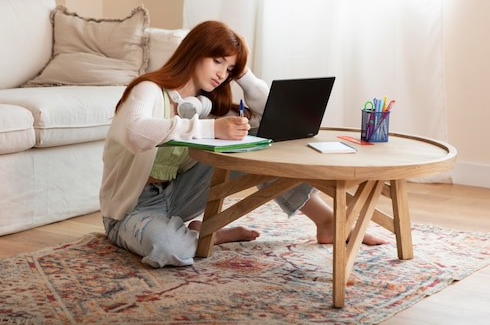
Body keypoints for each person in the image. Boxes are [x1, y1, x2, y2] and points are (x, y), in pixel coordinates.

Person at [99, 20, 386, 268]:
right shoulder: (148, 89)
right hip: (130, 210)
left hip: (176, 194)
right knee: (172, 248)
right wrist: (210, 128)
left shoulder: (205, 103)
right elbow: (136, 133)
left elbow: (267, 115)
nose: (222, 73)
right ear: (194, 51)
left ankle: (327, 221)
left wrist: (244, 73)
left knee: (261, 143)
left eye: (230, 69)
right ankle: (209, 234)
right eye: (217, 61)